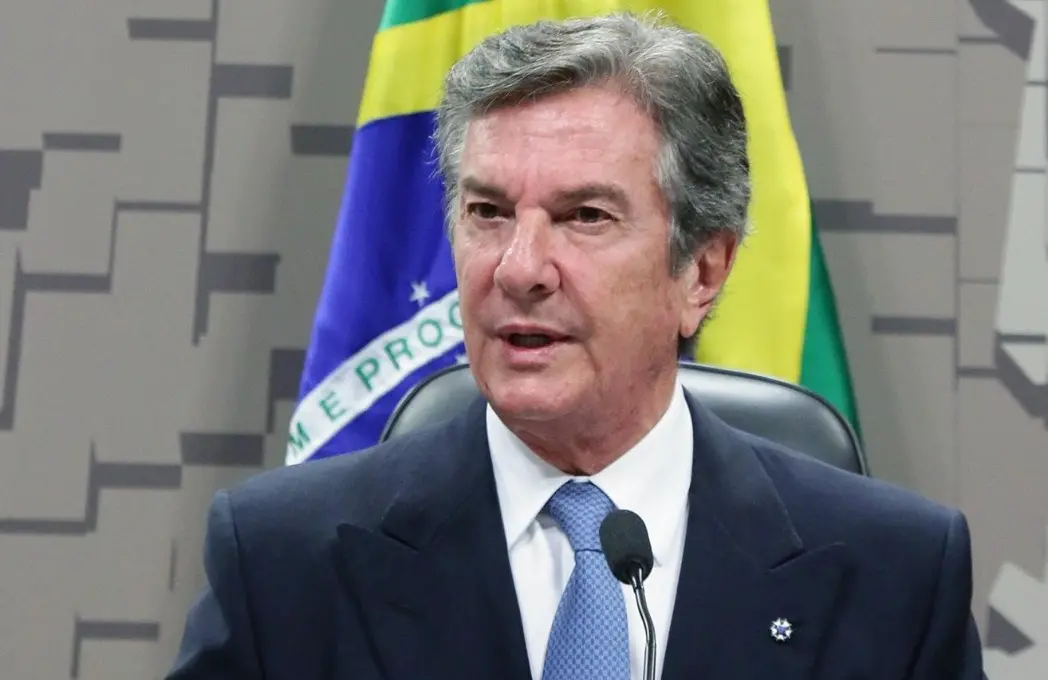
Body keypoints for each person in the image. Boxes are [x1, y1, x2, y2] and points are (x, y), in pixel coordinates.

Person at [165, 12, 983, 680]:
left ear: (702, 271)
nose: (519, 268)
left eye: (585, 216)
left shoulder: (893, 575)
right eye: (488, 213)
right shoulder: (284, 564)